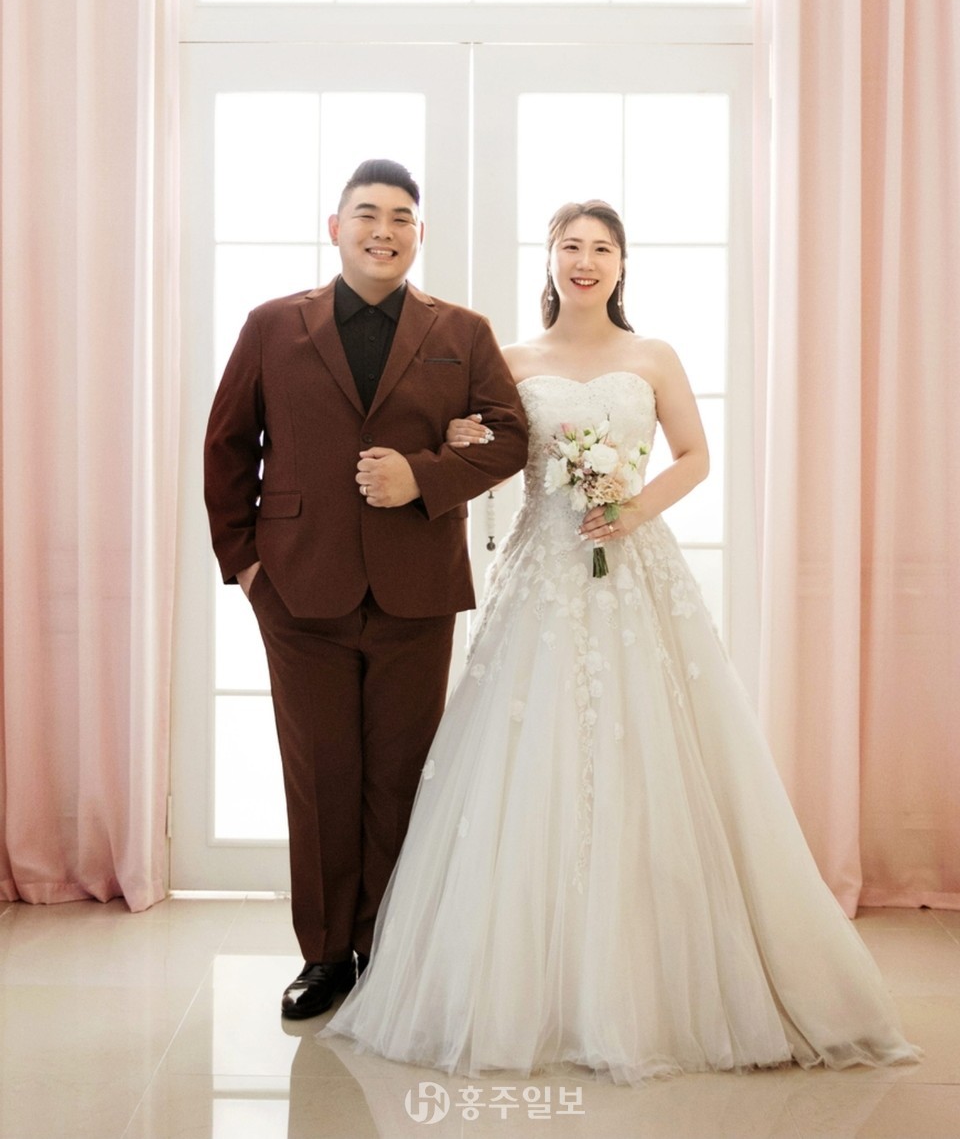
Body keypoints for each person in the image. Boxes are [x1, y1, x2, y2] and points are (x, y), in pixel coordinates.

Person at [323, 199, 919, 1081]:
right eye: (571, 245)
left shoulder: (654, 357)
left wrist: (633, 509)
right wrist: (459, 435)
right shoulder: (511, 359)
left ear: (622, 264)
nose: (586, 260)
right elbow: (480, 445)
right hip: (542, 573)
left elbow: (696, 456)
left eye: (602, 247)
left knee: (652, 752)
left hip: (633, 568)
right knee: (532, 757)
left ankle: (654, 975)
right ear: (550, 259)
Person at [204, 159, 528, 1020]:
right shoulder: (272, 326)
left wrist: (424, 475)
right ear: (336, 226)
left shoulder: (462, 331)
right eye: (367, 214)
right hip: (297, 586)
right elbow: (228, 445)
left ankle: (389, 950)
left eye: (401, 217)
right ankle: (324, 956)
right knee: (319, 776)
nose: (384, 230)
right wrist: (246, 565)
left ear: (420, 234)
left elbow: (511, 437)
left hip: (417, 588)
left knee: (400, 776)